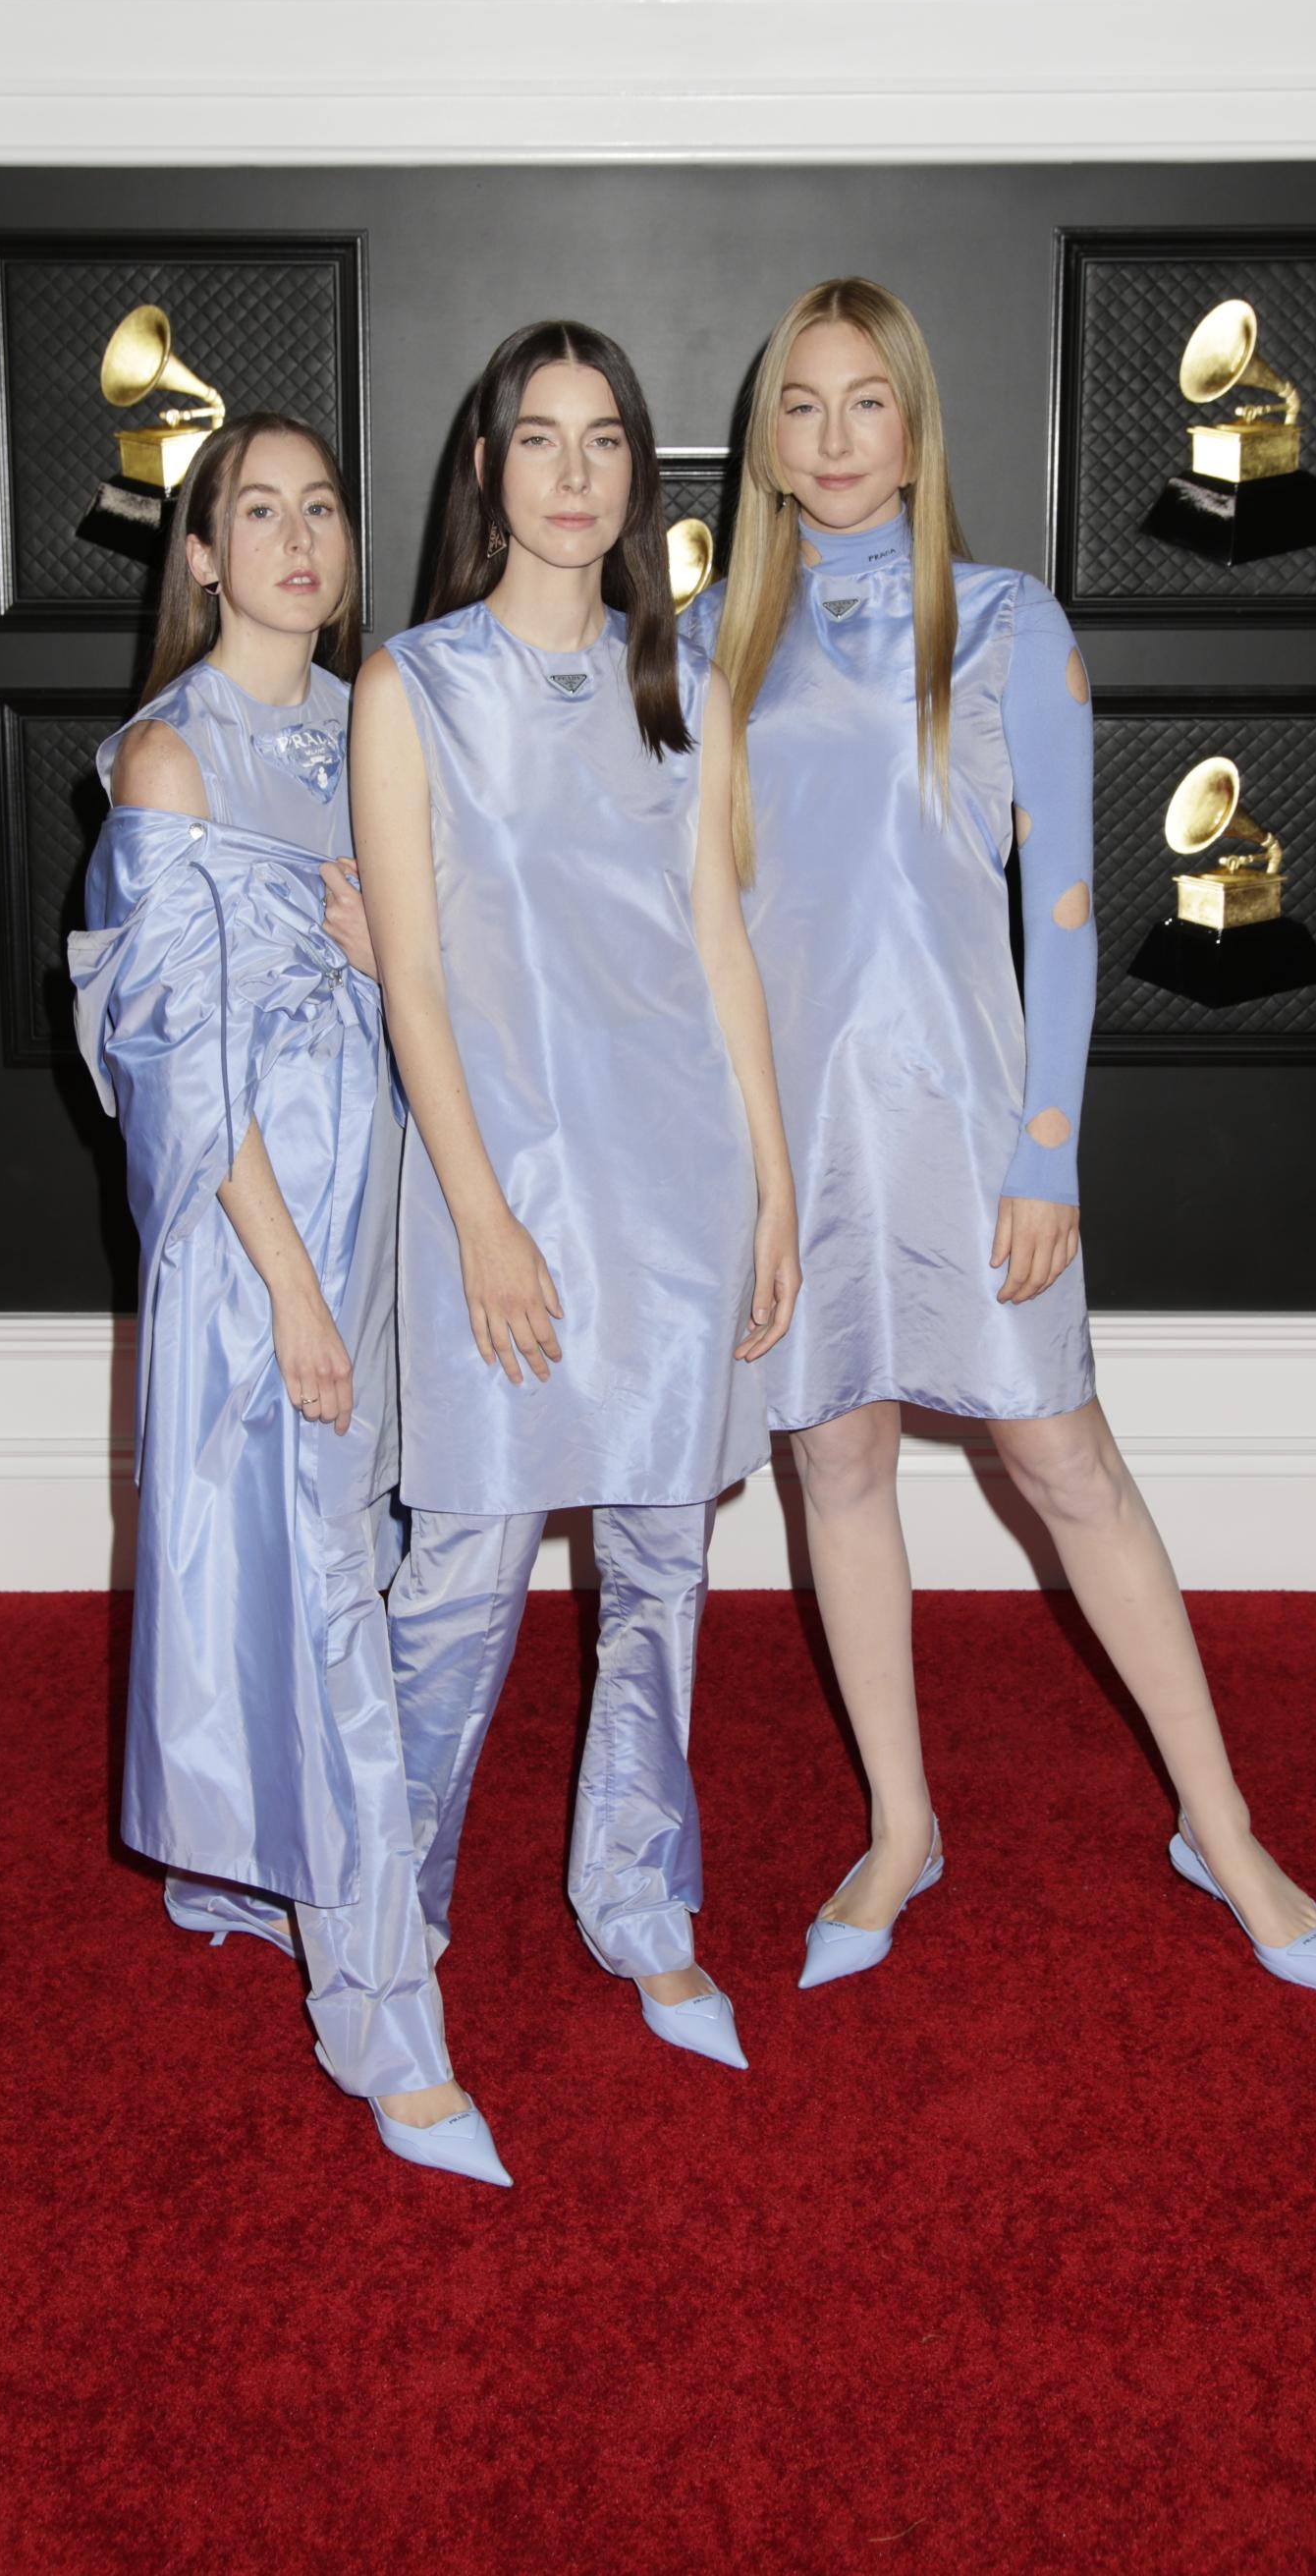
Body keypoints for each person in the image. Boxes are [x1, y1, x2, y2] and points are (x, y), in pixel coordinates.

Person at [690, 279, 1316, 2009]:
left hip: (969, 1118)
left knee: (1068, 1469)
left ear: (915, 428)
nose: (835, 438)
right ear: (766, 443)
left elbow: (1067, 913)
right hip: (794, 1135)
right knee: (833, 1467)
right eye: (802, 406)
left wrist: (1047, 1149)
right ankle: (902, 1825)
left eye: (867, 403)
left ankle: (1221, 1826)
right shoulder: (708, 645)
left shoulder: (1003, 622)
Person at [351, 320, 801, 2073]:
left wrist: (769, 1187)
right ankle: (391, 1928)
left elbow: (720, 953)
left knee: (661, 1565)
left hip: (673, 1187)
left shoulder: (673, 681)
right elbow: (412, 979)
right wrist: (473, 1207)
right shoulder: (417, 687)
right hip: (499, 1183)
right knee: (456, 1574)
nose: (572, 471)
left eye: (604, 440)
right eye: (539, 439)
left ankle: (640, 1900)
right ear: (488, 469)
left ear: (636, 477)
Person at [70, 411, 514, 2190]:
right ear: (199, 555)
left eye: (322, 506)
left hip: (399, 1200)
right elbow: (175, 1066)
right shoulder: (168, 767)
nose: (299, 537)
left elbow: (464, 976)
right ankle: (382, 2016)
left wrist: (378, 950)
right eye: (257, 511)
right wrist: (292, 1291)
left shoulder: (376, 724)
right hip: (264, 1242)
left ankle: (345, 1862)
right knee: (326, 1586)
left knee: (448, 1559)